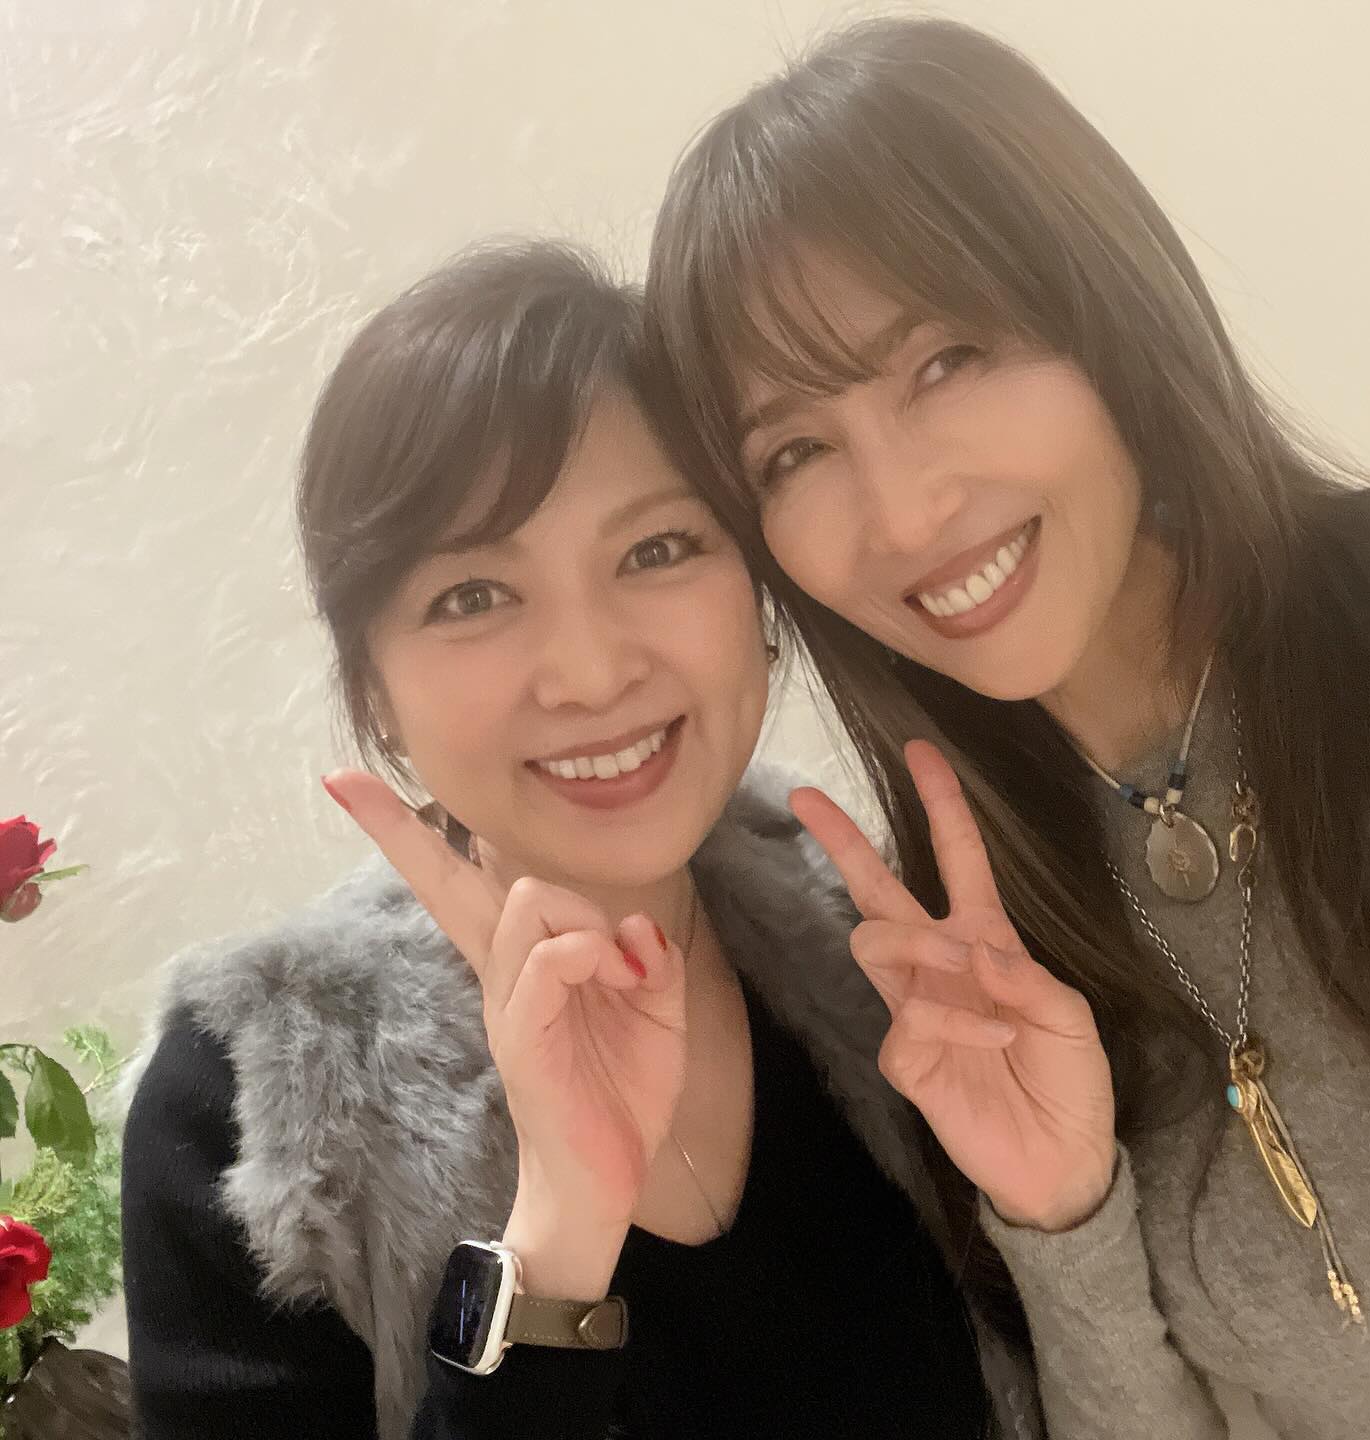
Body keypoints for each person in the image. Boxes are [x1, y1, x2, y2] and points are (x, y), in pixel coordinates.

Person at [645, 16, 1370, 1440]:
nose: (902, 514)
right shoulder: (966, 940)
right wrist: (1062, 1214)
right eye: (796, 450)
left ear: (1103, 314)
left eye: (946, 360)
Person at [120, 241, 1036, 1440]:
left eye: (656, 550)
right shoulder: (252, 1109)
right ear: (374, 692)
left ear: (757, 594)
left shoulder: (884, 952)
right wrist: (555, 1239)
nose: (593, 671)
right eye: (472, 596)